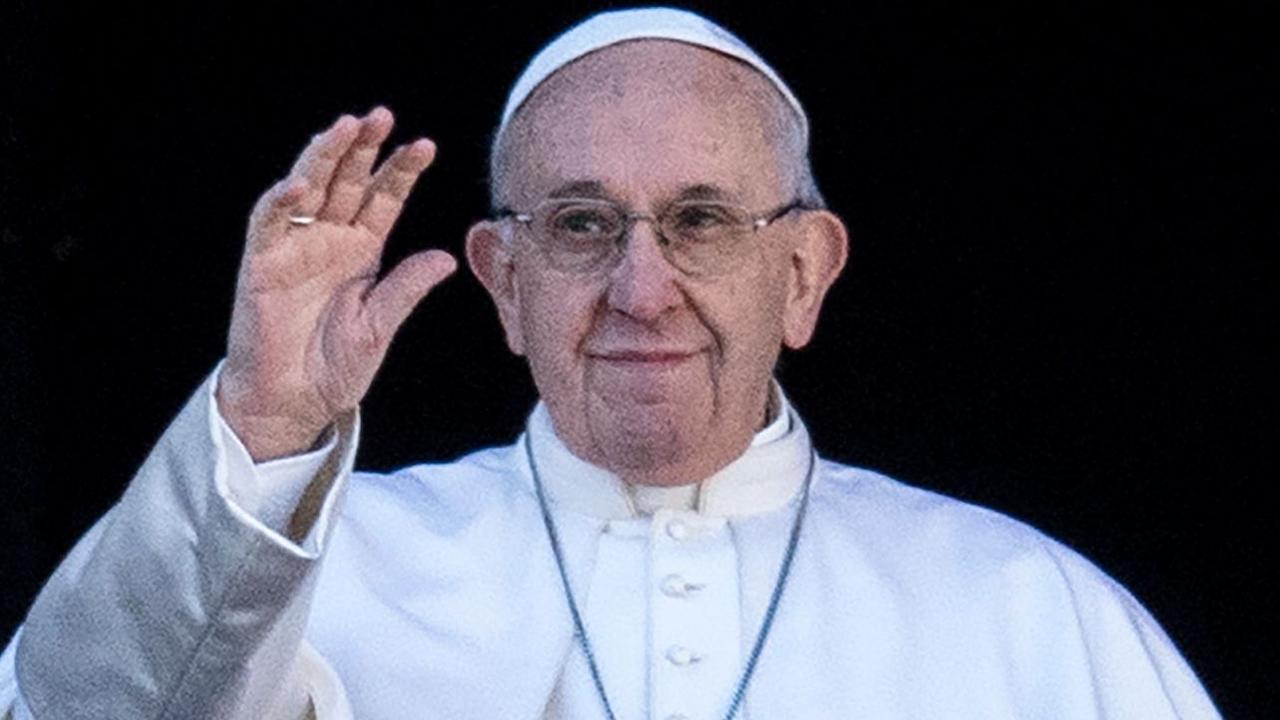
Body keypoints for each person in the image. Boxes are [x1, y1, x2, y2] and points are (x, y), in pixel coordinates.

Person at [0, 7, 1219, 719]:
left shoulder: (1029, 614)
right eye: (580, 224)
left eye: (701, 220)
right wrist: (264, 427)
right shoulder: (327, 570)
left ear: (802, 274)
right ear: (501, 282)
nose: (643, 290)